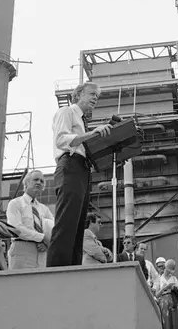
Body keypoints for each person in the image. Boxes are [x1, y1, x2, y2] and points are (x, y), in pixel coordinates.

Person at [48, 82, 113, 267]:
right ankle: (56, 271)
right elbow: (61, 139)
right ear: (77, 95)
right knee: (66, 221)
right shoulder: (66, 112)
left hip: (83, 169)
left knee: (78, 227)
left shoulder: (83, 123)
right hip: (70, 165)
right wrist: (92, 134)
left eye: (97, 96)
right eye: (92, 93)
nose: (95, 98)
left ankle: (73, 270)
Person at [6, 169, 54, 269]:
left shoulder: (44, 209)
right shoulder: (15, 204)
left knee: (40, 283)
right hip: (21, 249)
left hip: (42, 252)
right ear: (26, 183)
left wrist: (47, 243)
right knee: (21, 283)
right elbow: (16, 229)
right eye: (36, 179)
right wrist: (42, 238)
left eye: (41, 181)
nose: (39, 183)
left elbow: (53, 228)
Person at [155, 259, 178, 329]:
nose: (169, 272)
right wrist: (164, 288)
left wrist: (175, 288)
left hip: (174, 303)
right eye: (168, 270)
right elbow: (156, 295)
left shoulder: (174, 278)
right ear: (165, 268)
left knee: (175, 322)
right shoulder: (159, 279)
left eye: (170, 271)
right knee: (166, 322)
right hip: (164, 304)